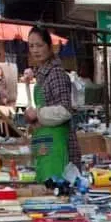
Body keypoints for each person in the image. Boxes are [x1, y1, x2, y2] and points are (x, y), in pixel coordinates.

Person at [25, 25, 80, 183]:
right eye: (31, 46)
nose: (35, 50)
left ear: (49, 47)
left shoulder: (56, 74)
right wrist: (33, 120)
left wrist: (38, 113)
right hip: (46, 146)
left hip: (59, 147)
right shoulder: (42, 75)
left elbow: (65, 110)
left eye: (39, 45)